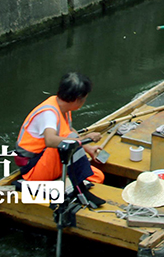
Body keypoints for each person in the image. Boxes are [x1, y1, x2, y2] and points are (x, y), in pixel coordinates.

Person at [15, 72, 105, 207]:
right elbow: (50, 140)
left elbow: (68, 131)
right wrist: (83, 140)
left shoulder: (63, 107)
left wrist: (89, 148)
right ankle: (79, 190)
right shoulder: (49, 113)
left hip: (49, 161)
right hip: (34, 169)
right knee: (71, 142)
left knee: (98, 176)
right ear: (78, 99)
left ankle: (74, 182)